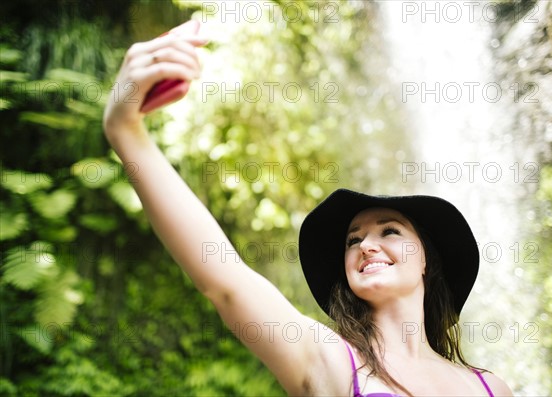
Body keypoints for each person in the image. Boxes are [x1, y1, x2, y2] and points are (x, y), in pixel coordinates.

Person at [102, 24, 514, 397]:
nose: (366, 245)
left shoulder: (490, 387)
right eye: (353, 240)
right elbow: (224, 281)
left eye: (390, 231)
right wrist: (125, 132)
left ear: (427, 258)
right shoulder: (327, 360)